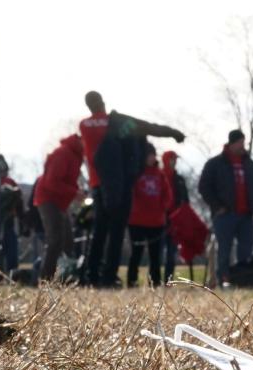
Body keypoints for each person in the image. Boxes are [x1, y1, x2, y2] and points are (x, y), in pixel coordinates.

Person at [81, 91, 185, 287]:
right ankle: (109, 277)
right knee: (116, 233)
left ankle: (92, 275)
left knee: (99, 232)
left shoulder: (84, 126)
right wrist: (173, 133)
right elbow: (149, 128)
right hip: (122, 185)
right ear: (102, 102)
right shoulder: (119, 122)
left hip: (98, 185)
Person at [198, 129, 253, 285]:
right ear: (232, 143)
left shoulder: (249, 164)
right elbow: (204, 187)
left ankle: (242, 280)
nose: (243, 146)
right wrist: (217, 206)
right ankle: (223, 280)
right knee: (224, 250)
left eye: (244, 143)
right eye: (240, 143)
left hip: (246, 215)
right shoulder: (215, 164)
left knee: (245, 250)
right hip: (224, 215)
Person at [32, 135, 84, 281]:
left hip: (60, 203)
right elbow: (51, 182)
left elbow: (67, 180)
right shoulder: (63, 153)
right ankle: (45, 279)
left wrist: (76, 192)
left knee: (67, 241)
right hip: (48, 199)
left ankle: (64, 277)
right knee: (55, 240)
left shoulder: (76, 156)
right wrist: (74, 192)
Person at [127, 144, 172, 286]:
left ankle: (155, 282)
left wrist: (163, 207)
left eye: (153, 154)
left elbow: (167, 195)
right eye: (148, 155)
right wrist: (137, 207)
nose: (152, 158)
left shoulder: (160, 174)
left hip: (156, 221)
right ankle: (132, 280)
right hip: (137, 220)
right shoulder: (135, 173)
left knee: (155, 255)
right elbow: (130, 194)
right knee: (136, 253)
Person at [161, 151, 189, 282]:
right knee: (157, 251)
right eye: (172, 159)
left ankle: (168, 280)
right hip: (160, 219)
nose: (174, 161)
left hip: (175, 220)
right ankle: (155, 280)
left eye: (175, 159)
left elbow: (185, 200)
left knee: (171, 253)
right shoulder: (160, 176)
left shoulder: (179, 179)